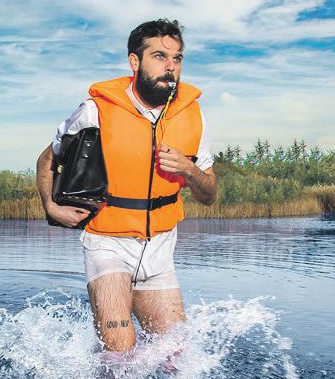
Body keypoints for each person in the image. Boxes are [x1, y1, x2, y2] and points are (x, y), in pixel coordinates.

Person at [36, 19, 217, 354]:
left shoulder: (194, 116)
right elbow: (47, 159)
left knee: (175, 355)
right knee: (120, 350)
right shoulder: (95, 111)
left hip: (161, 248)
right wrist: (50, 205)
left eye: (177, 59)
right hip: (107, 244)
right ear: (135, 61)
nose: (170, 67)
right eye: (159, 56)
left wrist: (189, 169)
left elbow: (209, 195)